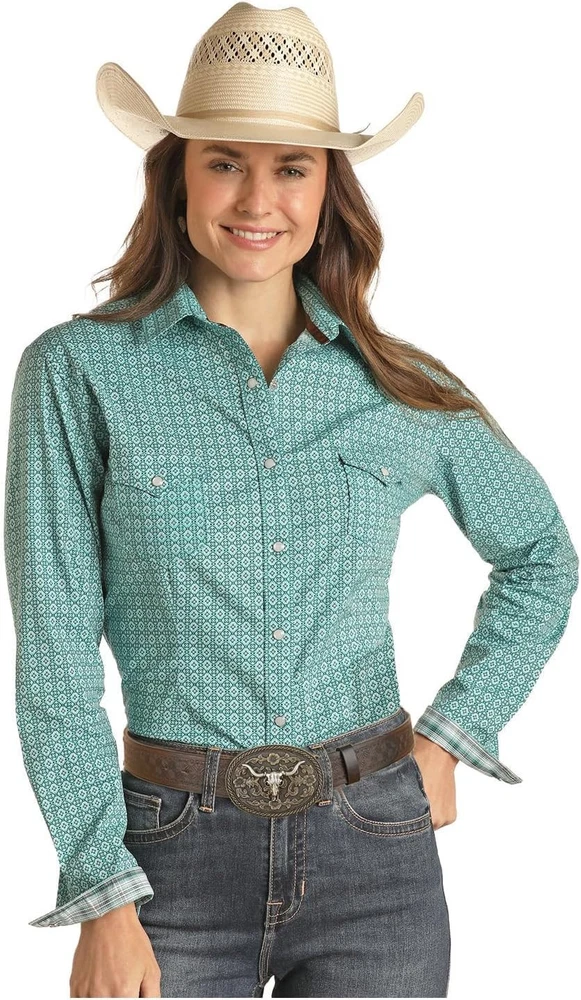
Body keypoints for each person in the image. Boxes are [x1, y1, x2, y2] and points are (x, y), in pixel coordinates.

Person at [4, 3, 578, 998]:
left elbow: (540, 554)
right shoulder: (78, 371)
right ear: (177, 176)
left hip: (376, 851)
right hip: (167, 860)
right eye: (225, 161)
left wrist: (451, 737)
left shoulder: (396, 387)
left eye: (293, 168)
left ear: (327, 189)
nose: (257, 199)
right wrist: (101, 893)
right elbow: (53, 652)